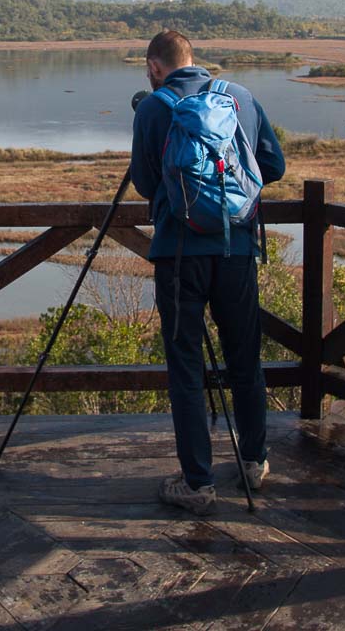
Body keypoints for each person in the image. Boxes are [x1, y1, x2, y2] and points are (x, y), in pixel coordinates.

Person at [130, 30, 285, 515]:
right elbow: (273, 165)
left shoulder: (154, 108)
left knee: (186, 366)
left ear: (154, 66)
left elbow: (144, 182)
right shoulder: (240, 97)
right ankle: (254, 461)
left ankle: (198, 483)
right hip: (236, 249)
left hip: (179, 255)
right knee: (245, 359)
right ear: (193, 58)